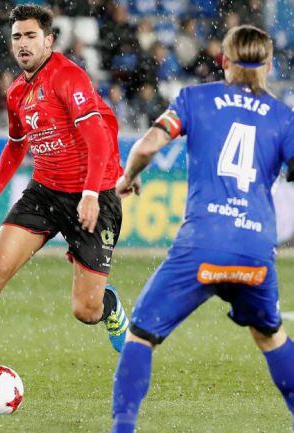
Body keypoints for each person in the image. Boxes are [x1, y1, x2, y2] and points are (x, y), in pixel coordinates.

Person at [0, 3, 129, 402]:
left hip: (93, 194)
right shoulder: (17, 92)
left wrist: (88, 193)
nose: (23, 44)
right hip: (45, 191)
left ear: (49, 40)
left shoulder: (69, 77)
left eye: (31, 36)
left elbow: (98, 137)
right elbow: (16, 146)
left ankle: (110, 304)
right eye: (17, 37)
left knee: (86, 310)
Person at [110, 25, 294, 433]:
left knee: (141, 336)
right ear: (268, 65)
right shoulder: (284, 118)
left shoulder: (196, 99)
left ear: (225, 61)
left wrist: (129, 176)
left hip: (202, 245)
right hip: (254, 249)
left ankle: (123, 428)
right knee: (271, 337)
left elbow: (146, 147)